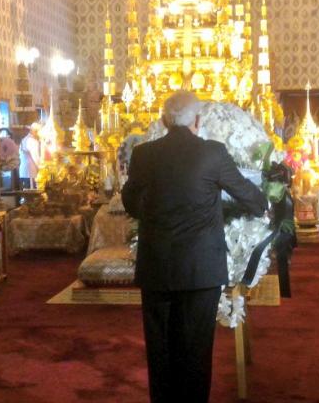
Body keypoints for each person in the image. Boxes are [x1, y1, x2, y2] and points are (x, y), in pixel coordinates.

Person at [122, 91, 267, 403]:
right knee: (196, 352)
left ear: (163, 121)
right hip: (200, 270)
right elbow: (250, 197)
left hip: (157, 267)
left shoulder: (144, 155)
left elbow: (130, 203)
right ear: (198, 121)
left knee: (160, 351)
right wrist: (261, 201)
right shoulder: (213, 153)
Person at [18, 123, 41, 189]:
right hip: (30, 173)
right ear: (35, 131)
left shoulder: (25, 139)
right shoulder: (32, 141)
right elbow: (35, 157)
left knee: (25, 193)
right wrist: (41, 168)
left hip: (24, 172)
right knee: (31, 194)